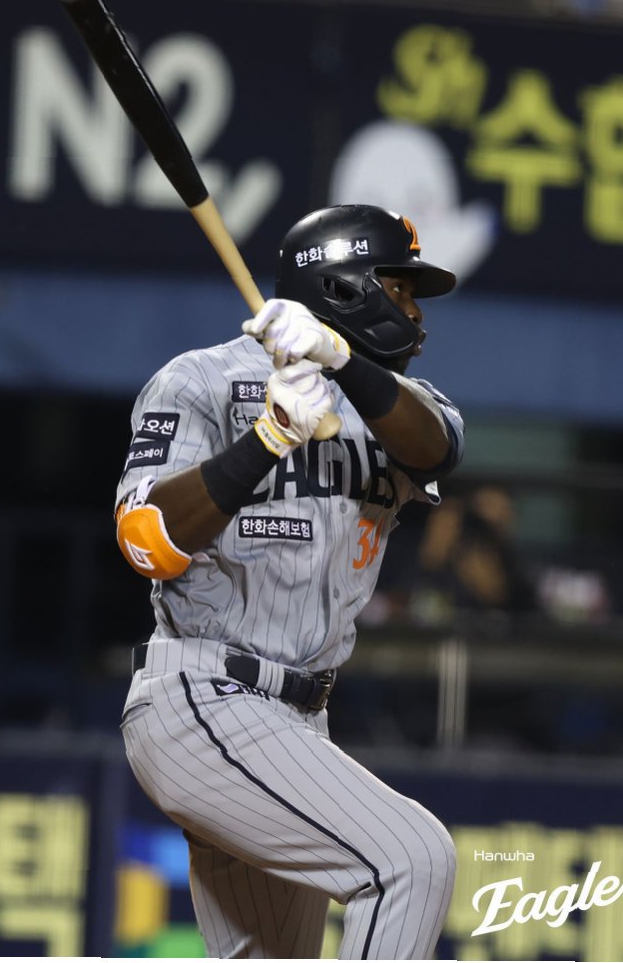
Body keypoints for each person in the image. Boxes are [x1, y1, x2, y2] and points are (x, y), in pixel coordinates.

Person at [115, 204, 464, 960]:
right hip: (200, 695)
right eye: (400, 288)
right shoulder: (201, 379)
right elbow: (146, 544)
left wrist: (339, 359)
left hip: (302, 717)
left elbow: (434, 449)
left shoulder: (400, 403)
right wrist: (267, 437)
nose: (415, 313)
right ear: (343, 285)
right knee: (412, 858)